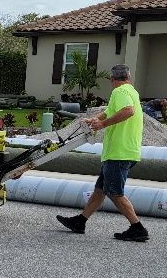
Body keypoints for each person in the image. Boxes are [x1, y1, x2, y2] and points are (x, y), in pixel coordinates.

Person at [56, 63, 148, 242]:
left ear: (112, 79)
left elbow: (128, 111)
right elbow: (109, 111)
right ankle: (80, 221)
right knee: (100, 190)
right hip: (125, 150)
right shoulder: (132, 91)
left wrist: (103, 124)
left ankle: (138, 228)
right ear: (128, 78)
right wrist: (94, 119)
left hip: (119, 152)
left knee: (114, 192)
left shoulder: (119, 91)